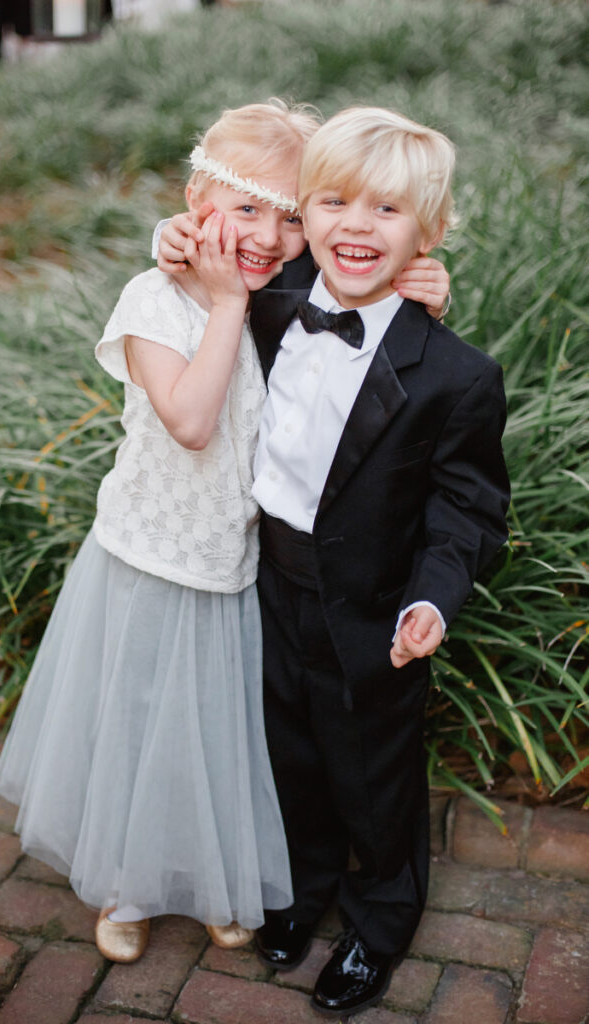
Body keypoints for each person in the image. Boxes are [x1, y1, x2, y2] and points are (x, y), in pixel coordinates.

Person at [159, 106, 508, 1017]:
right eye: (334, 203)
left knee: (372, 772)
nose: (356, 225)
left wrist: (433, 598)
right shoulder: (269, 306)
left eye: (388, 212)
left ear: (427, 235)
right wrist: (171, 234)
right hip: (269, 581)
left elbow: (467, 503)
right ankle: (300, 887)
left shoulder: (454, 374)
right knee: (290, 754)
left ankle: (381, 919)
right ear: (304, 218)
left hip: (374, 605)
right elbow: (206, 254)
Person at [0, 101, 318, 963]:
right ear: (193, 200)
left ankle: (212, 876)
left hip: (226, 562)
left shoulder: (272, 288)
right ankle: (127, 885)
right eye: (245, 207)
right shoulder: (156, 298)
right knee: (136, 721)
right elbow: (189, 420)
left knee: (217, 731)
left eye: (289, 215)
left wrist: (418, 278)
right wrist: (219, 301)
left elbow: (360, 261)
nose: (268, 233)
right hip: (143, 556)